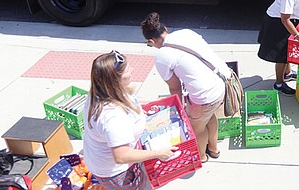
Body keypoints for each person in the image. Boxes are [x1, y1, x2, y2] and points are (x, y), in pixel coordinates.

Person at [83, 50, 178, 190]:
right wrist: (158, 153)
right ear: (115, 79)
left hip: (100, 160)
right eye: (127, 69)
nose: (132, 69)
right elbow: (121, 156)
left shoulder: (101, 90)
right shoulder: (113, 117)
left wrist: (151, 102)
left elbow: (126, 98)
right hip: (117, 172)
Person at [141, 12, 227, 164]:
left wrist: (178, 110)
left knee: (196, 127)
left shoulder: (162, 56)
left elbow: (175, 88)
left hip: (204, 96)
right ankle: (214, 149)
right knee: (209, 116)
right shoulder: (186, 33)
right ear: (165, 28)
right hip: (221, 84)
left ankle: (201, 156)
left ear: (152, 41)